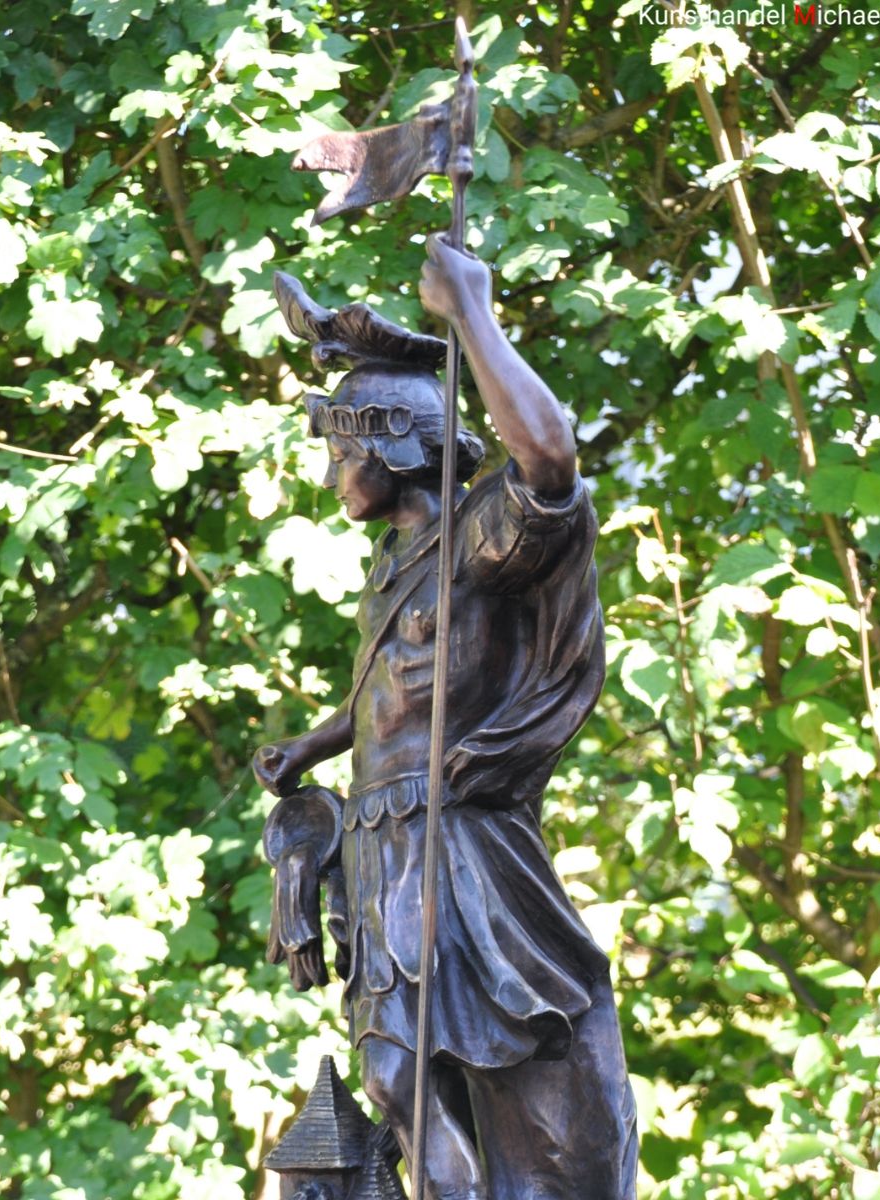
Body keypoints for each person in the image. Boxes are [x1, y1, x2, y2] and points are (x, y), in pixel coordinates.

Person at [254, 235, 637, 1200]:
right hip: (384, 840)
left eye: (344, 449)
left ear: (392, 443)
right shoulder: (392, 571)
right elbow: (389, 691)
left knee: (474, 1068)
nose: (336, 470)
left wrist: (470, 312)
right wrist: (319, 742)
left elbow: (550, 465)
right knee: (393, 1080)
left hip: (457, 842)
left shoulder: (476, 542)